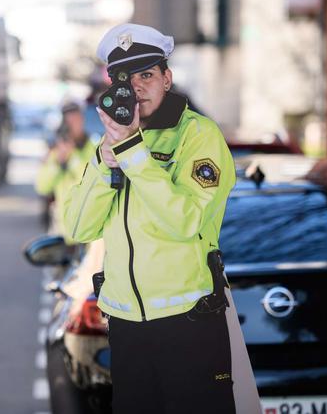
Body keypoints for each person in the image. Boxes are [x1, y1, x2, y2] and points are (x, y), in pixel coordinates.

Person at [63, 23, 238, 413]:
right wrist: (104, 164)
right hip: (126, 327)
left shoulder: (197, 135)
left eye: (147, 75)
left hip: (188, 322)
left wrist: (133, 153)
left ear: (167, 78)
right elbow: (78, 227)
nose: (136, 87)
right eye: (124, 78)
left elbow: (185, 222)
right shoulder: (114, 141)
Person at [35, 101, 95, 239]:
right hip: (63, 233)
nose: (74, 125)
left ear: (82, 119)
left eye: (76, 119)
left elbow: (89, 180)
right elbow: (42, 187)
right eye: (70, 121)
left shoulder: (94, 149)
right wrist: (59, 162)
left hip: (90, 231)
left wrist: (73, 158)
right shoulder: (56, 152)